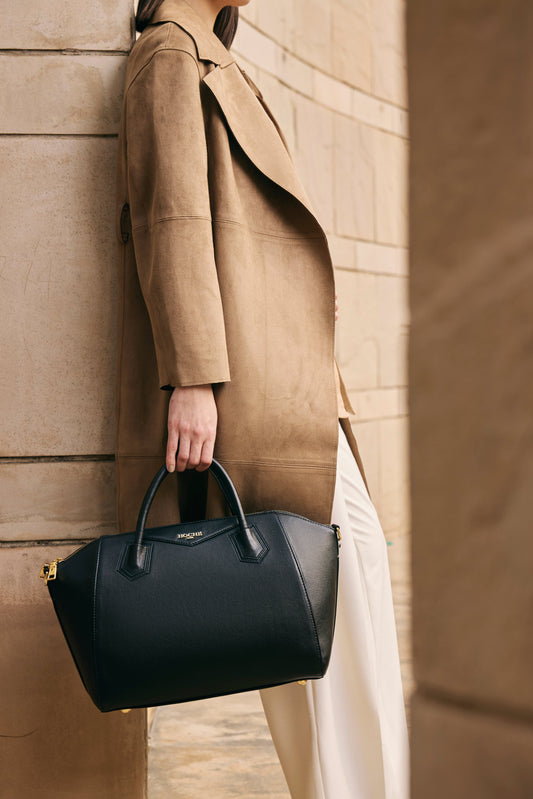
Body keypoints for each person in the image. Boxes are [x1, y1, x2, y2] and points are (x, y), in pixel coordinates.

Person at [115, 0, 410, 796]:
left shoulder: (210, 56)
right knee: (316, 622)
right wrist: (192, 377)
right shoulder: (170, 53)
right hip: (253, 390)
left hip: (296, 385)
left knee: (344, 607)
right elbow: (171, 219)